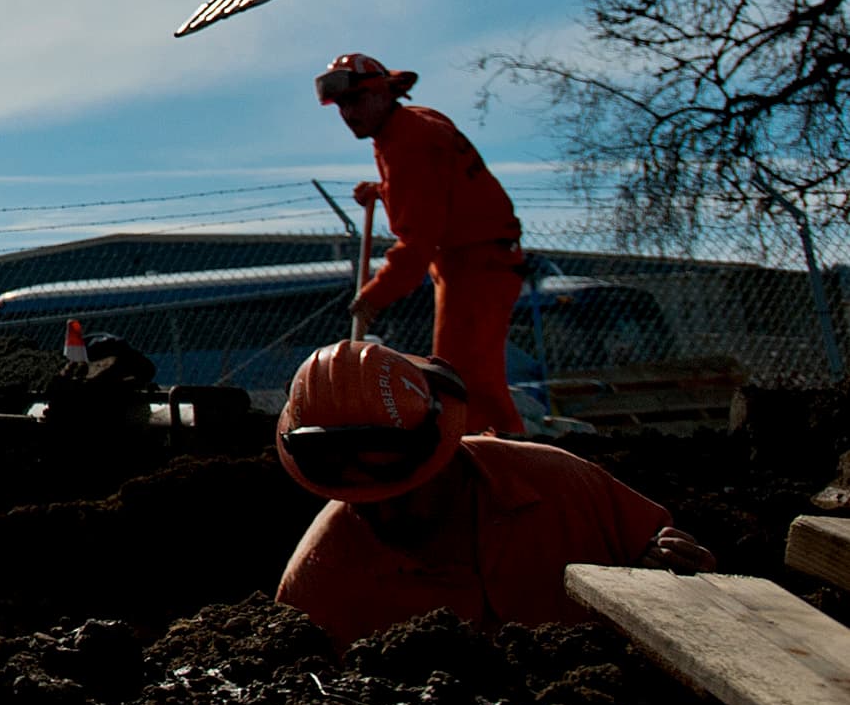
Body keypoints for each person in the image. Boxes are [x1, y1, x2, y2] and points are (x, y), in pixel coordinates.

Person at [272, 338, 714, 650]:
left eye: (406, 492)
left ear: (444, 455)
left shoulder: (559, 483)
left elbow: (675, 575)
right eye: (365, 504)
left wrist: (673, 568)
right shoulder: (319, 581)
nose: (388, 512)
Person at [322, 52, 531, 437]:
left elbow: (418, 242)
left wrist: (373, 297)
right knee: (470, 376)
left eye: (357, 100)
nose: (348, 113)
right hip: (477, 260)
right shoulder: (412, 124)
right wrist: (385, 191)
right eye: (342, 105)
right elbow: (440, 188)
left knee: (465, 381)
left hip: (478, 265)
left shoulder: (408, 144)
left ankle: (486, 459)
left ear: (385, 92)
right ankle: (500, 452)